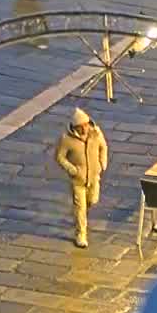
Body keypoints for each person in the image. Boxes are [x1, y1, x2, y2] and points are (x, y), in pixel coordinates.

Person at [55, 106, 108, 248]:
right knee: (80, 208)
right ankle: (81, 234)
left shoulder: (96, 133)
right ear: (75, 127)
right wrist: (72, 169)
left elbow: (103, 146)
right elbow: (60, 157)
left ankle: (82, 217)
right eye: (81, 127)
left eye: (85, 125)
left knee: (93, 200)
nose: (84, 129)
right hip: (78, 179)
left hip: (94, 176)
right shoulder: (66, 139)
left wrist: (103, 162)